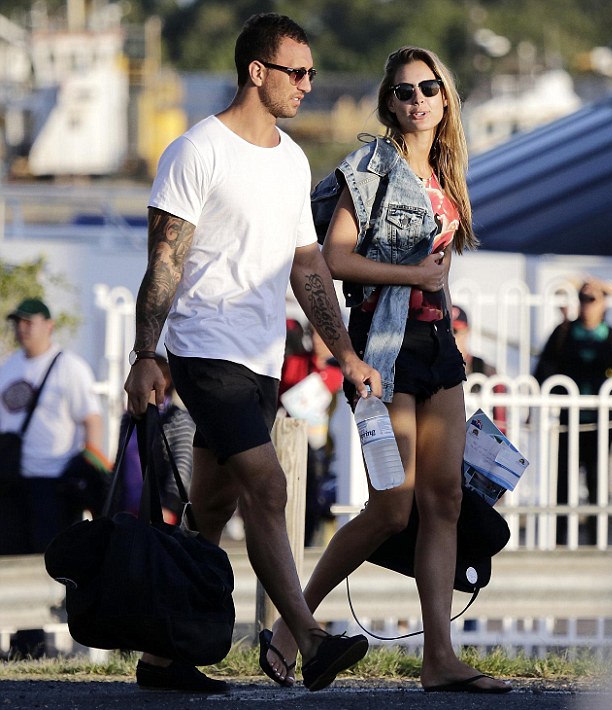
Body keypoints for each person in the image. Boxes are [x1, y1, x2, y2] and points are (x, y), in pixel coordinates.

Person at [123, 12, 381, 694]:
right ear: (256, 72)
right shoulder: (197, 150)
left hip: (262, 357)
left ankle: (162, 655)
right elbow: (165, 262)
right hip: (205, 349)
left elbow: (307, 268)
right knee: (269, 487)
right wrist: (145, 353)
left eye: (312, 74)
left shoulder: (292, 160)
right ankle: (307, 638)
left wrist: (346, 352)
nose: (307, 85)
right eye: (296, 72)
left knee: (210, 510)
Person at [267, 46, 512, 693]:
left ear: (445, 97)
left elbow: (442, 273)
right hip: (383, 347)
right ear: (390, 102)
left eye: (428, 88)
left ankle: (440, 659)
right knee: (391, 507)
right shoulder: (370, 166)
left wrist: (448, 323)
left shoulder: (447, 172)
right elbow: (333, 257)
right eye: (404, 92)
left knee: (446, 501)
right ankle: (293, 626)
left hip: (436, 345)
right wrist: (412, 275)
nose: (416, 101)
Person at [0, 298, 106, 555]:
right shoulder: (9, 366)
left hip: (53, 480)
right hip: (12, 478)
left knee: (51, 551)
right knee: (12, 551)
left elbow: (91, 418)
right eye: (18, 323)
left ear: (49, 325)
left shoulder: (69, 366)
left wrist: (88, 468)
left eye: (28, 322)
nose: (22, 328)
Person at [534, 281, 612, 545]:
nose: (587, 304)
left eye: (593, 299)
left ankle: (598, 539)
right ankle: (561, 539)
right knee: (563, 481)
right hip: (568, 421)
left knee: (598, 481)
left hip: (601, 422)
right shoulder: (564, 332)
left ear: (604, 303)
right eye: (583, 298)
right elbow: (543, 370)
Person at [279, 323, 344, 545]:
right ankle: (298, 540)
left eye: (323, 335)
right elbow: (281, 398)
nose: (317, 340)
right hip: (295, 440)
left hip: (329, 445)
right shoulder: (294, 363)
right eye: (314, 334)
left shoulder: (343, 369)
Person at [116, 355, 195, 525]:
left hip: (163, 515)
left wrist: (169, 507)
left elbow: (182, 466)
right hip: (127, 512)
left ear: (163, 381)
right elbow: (119, 465)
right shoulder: (128, 419)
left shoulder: (177, 418)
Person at [452, 305, 506, 432]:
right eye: (446, 331)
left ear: (467, 331)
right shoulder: (433, 369)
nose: (452, 337)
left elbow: (500, 422)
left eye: (455, 330)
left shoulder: (488, 371)